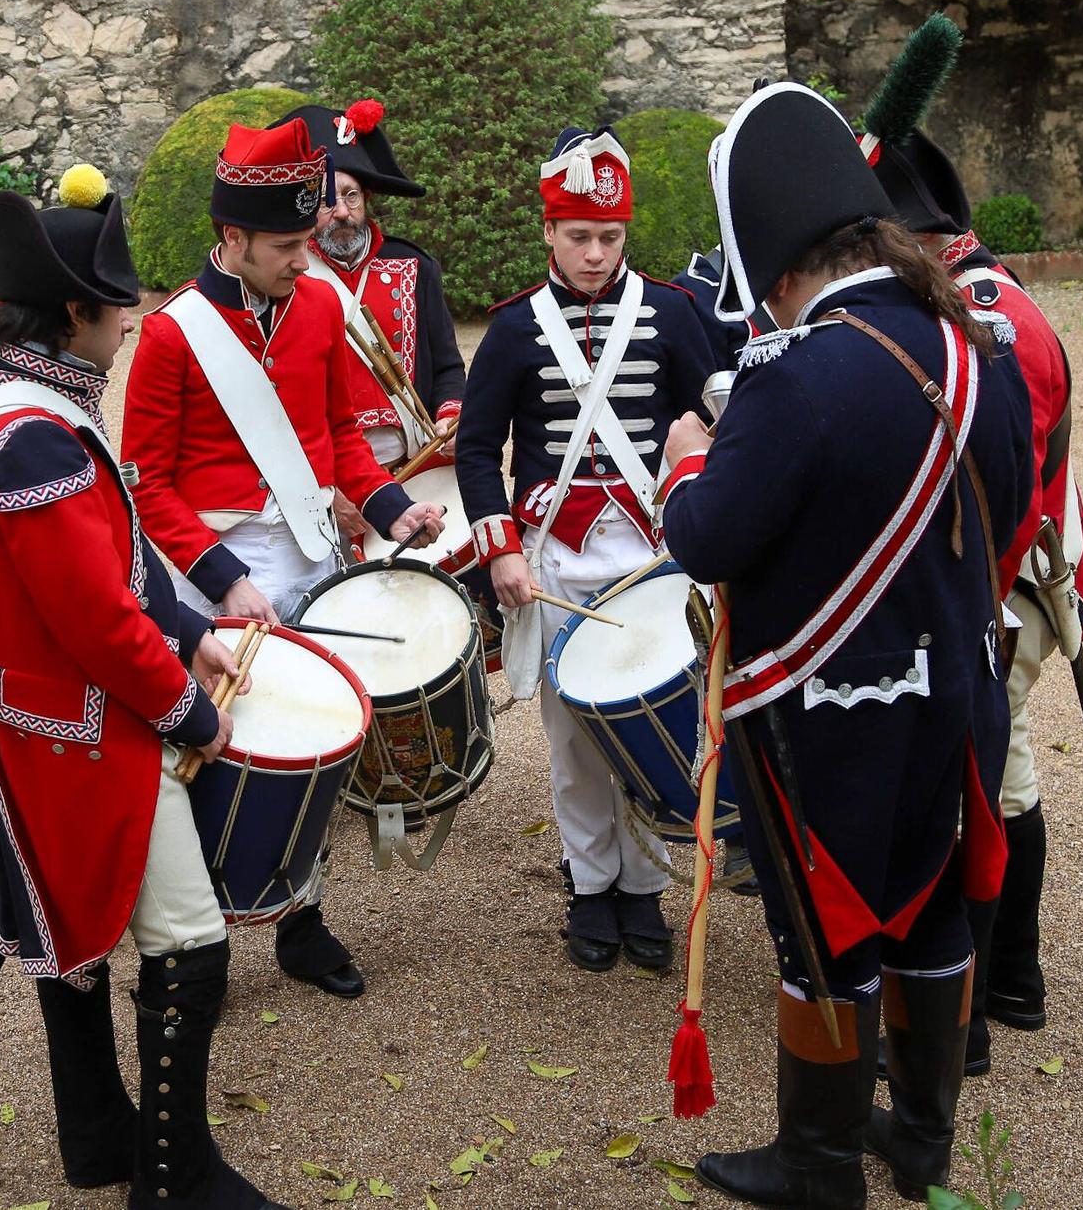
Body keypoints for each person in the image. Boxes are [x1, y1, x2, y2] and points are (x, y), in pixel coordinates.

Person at [657, 82, 1031, 1207]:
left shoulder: (797, 376)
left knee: (821, 934)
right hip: (959, 690)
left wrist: (686, 452)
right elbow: (1004, 514)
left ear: (776, 266)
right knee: (927, 907)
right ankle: (918, 1139)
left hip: (826, 707)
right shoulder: (978, 345)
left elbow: (704, 536)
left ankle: (818, 1166)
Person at [0, 166, 283, 1210]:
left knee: (76, 942)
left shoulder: (43, 404)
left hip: (67, 717)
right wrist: (191, 710)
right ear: (72, 314)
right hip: (78, 727)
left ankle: (100, 1140)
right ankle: (172, 1176)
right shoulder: (30, 434)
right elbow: (96, 620)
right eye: (117, 303)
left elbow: (128, 564)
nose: (131, 315)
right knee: (185, 939)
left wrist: (196, 631)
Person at [121, 117, 444, 999]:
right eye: (286, 246)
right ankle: (195, 937)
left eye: (308, 241)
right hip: (210, 563)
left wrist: (391, 505)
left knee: (317, 739)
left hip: (306, 548)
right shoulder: (171, 335)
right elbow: (146, 487)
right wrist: (225, 582)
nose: (306, 260)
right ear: (231, 237)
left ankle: (301, 918)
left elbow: (339, 433)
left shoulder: (321, 306)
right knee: (209, 749)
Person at [859, 15, 1083, 1064]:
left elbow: (1001, 497)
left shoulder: (993, 324)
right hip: (993, 585)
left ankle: (969, 1016)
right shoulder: (957, 300)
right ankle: (1011, 979)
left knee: (976, 782)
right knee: (1003, 772)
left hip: (1004, 589)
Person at [455, 127, 717, 974]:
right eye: (579, 236)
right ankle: (590, 882)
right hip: (555, 557)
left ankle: (642, 886)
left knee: (654, 724)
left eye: (609, 237)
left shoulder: (673, 313)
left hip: (651, 551)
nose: (596, 253)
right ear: (549, 233)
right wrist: (499, 549)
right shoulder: (511, 329)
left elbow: (708, 425)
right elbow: (476, 447)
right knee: (572, 738)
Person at [285, 100, 464, 479]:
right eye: (326, 201)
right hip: (327, 478)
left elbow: (448, 366)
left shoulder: (416, 267)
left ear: (366, 199)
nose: (342, 212)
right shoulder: (288, 275)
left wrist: (451, 416)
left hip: (416, 468)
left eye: (351, 196)